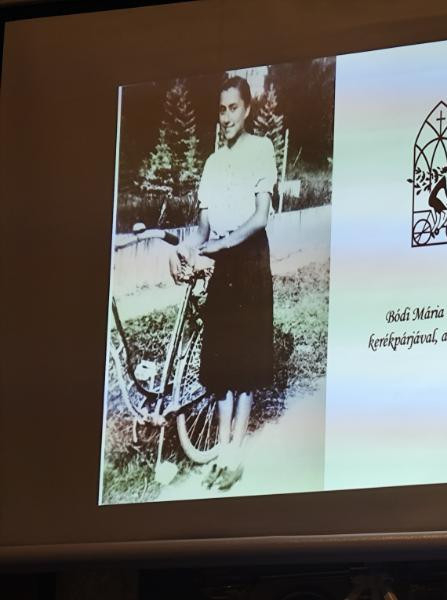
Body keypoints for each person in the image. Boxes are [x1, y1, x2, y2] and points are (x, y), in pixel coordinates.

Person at [170, 75, 277, 491]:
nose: (227, 117)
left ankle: (235, 455)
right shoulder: (212, 164)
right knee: (221, 363)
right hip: (220, 265)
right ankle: (220, 450)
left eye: (234, 108)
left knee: (244, 365)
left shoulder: (261, 149)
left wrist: (223, 244)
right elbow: (202, 229)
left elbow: (260, 217)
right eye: (221, 109)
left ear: (247, 109)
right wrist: (186, 249)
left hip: (249, 262)